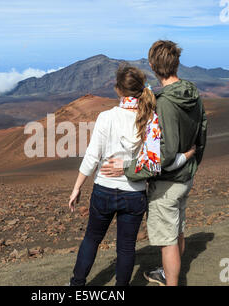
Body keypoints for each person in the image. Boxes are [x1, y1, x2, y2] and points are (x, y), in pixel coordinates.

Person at [67, 65, 195, 286]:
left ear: (118, 90)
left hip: (103, 191)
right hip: (134, 194)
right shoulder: (151, 119)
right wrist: (187, 155)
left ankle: (77, 285)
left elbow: (92, 156)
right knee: (126, 247)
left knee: (92, 239)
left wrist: (77, 187)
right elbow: (155, 164)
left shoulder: (106, 117)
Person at [101, 40, 207, 286]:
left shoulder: (164, 103)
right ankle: (167, 272)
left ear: (151, 65)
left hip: (167, 184)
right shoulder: (192, 92)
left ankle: (171, 281)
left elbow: (163, 157)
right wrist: (191, 161)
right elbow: (202, 130)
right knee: (177, 229)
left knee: (167, 241)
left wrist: (126, 169)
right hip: (185, 178)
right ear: (177, 62)